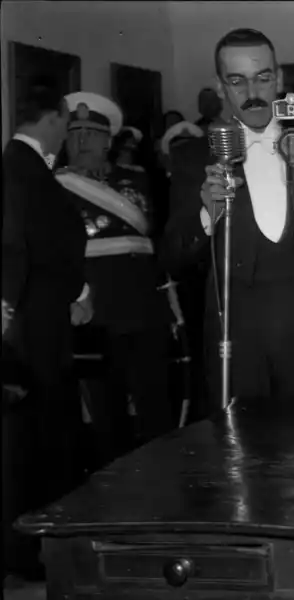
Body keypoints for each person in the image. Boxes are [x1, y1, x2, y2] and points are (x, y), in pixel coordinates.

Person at [160, 28, 294, 402]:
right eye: (237, 81)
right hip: (235, 343)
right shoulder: (193, 156)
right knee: (242, 455)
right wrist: (207, 213)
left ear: (279, 78)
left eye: (263, 78)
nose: (252, 94)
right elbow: (173, 256)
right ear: (219, 86)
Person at [2, 80, 87, 579]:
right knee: (35, 445)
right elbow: (24, 248)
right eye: (66, 123)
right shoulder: (21, 170)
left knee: (39, 442)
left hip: (40, 325)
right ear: (53, 117)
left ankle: (38, 551)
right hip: (31, 332)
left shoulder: (23, 166)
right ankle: (34, 555)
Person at [56, 91, 173, 458]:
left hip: (142, 307)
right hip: (94, 310)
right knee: (106, 415)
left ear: (108, 140)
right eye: (74, 133)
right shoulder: (54, 186)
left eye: (90, 133)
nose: (81, 141)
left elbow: (152, 233)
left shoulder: (136, 178)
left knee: (156, 409)